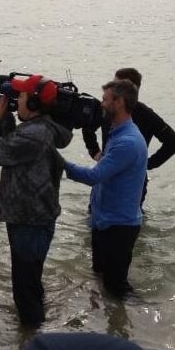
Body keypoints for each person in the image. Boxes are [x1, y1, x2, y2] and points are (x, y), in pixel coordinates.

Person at [0, 75, 73, 328]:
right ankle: (37, 329)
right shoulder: (43, 127)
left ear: (33, 103)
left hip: (29, 220)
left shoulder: (33, 135)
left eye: (20, 97)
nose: (16, 100)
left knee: (25, 290)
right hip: (36, 216)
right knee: (31, 280)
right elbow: (13, 149)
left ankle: (33, 337)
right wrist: (8, 118)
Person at [66, 79, 147, 298]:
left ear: (119, 102)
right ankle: (106, 322)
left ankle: (136, 326)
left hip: (119, 227)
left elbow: (95, 176)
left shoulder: (127, 141)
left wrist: (61, 164)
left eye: (104, 100)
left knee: (118, 290)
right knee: (101, 279)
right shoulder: (117, 132)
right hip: (104, 221)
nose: (100, 104)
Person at [82, 68, 175, 207]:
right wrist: (94, 151)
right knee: (95, 216)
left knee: (128, 222)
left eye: (116, 86)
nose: (111, 89)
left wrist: (148, 164)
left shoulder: (146, 114)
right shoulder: (107, 109)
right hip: (106, 174)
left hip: (134, 181)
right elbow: (87, 127)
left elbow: (172, 141)